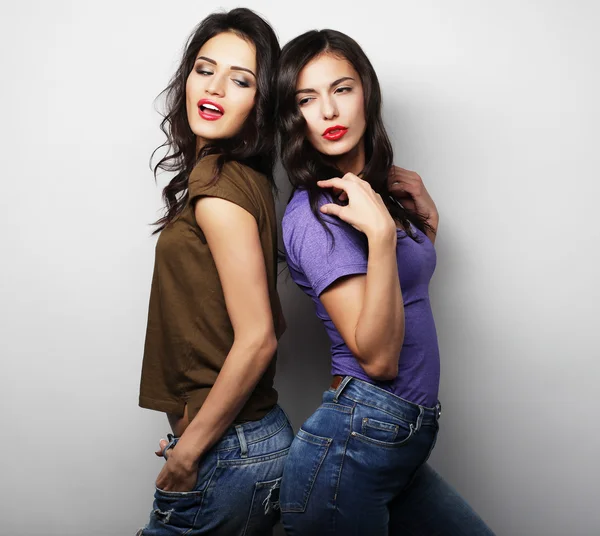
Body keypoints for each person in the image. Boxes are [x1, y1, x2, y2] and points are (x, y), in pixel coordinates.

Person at [276, 29, 495, 535]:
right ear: (294, 118)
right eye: (306, 99)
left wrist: (425, 226)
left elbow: (403, 295)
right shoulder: (317, 214)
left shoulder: (373, 199)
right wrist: (379, 236)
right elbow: (378, 358)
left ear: (367, 94)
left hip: (394, 448)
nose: (328, 112)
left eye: (341, 89)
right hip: (353, 447)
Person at [137, 8, 293, 535]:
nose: (216, 87)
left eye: (241, 79)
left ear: (260, 101)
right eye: (206, 70)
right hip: (237, 442)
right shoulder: (242, 177)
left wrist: (191, 452)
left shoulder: (220, 191)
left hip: (231, 453)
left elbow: (258, 338)